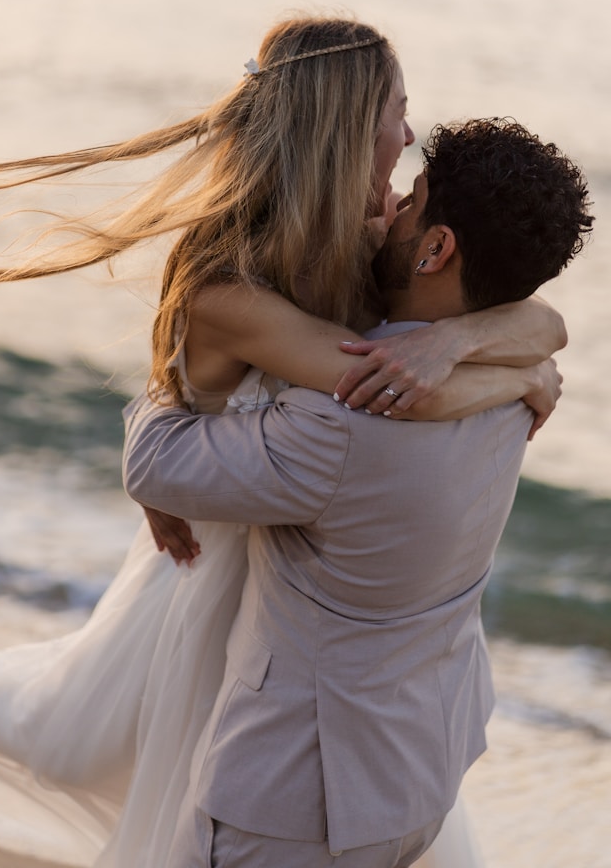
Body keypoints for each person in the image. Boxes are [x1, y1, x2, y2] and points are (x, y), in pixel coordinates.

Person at [0, 16, 566, 865]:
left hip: (291, 542)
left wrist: (460, 340)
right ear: (342, 129)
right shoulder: (242, 280)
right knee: (86, 738)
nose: (407, 135)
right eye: (396, 113)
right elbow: (388, 390)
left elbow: (532, 323)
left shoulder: (365, 239)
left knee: (235, 772)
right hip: (213, 542)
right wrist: (516, 374)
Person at [123, 117, 593, 868]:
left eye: (412, 203)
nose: (392, 208)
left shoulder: (342, 423)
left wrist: (203, 345)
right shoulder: (518, 382)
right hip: (421, 769)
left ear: (436, 249)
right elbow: (543, 327)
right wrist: (475, 344)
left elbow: (153, 461)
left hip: (291, 802)